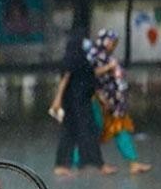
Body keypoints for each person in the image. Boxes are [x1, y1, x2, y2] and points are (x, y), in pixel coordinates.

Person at [81, 29, 152, 175]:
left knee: (121, 129)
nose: (114, 45)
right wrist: (108, 69)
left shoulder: (108, 56)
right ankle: (77, 162)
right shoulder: (94, 56)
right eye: (111, 41)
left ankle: (133, 162)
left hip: (114, 102)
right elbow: (89, 75)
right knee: (94, 131)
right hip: (100, 101)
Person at [50, 29, 118, 177]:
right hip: (74, 103)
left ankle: (72, 164)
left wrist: (102, 99)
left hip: (82, 100)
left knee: (73, 133)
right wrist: (57, 100)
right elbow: (64, 80)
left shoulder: (83, 60)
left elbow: (91, 79)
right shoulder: (72, 60)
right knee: (85, 132)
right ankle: (96, 164)